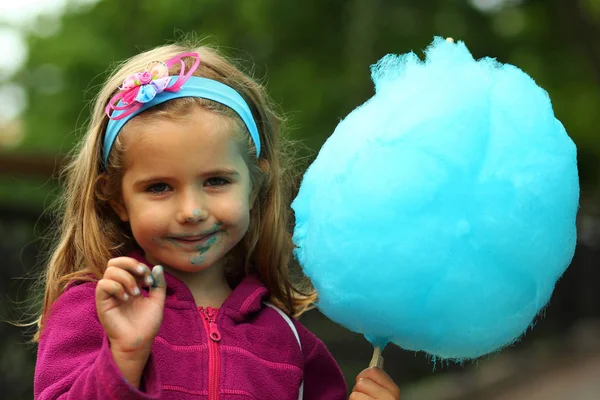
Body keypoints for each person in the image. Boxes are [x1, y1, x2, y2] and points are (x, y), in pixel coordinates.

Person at [33, 43, 401, 400]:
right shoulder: (94, 310)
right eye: (159, 187)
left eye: (216, 181)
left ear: (256, 184)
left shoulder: (288, 340)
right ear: (117, 199)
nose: (192, 211)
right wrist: (124, 357)